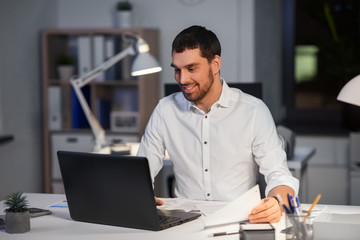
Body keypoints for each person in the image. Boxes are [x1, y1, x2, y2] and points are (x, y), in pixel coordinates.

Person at [137, 25, 299, 223]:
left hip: (240, 220)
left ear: (215, 64)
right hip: (185, 222)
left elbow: (278, 174)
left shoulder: (254, 111)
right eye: (177, 70)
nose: (183, 79)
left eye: (191, 68)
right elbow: (141, 170)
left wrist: (277, 202)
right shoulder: (165, 110)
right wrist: (139, 195)